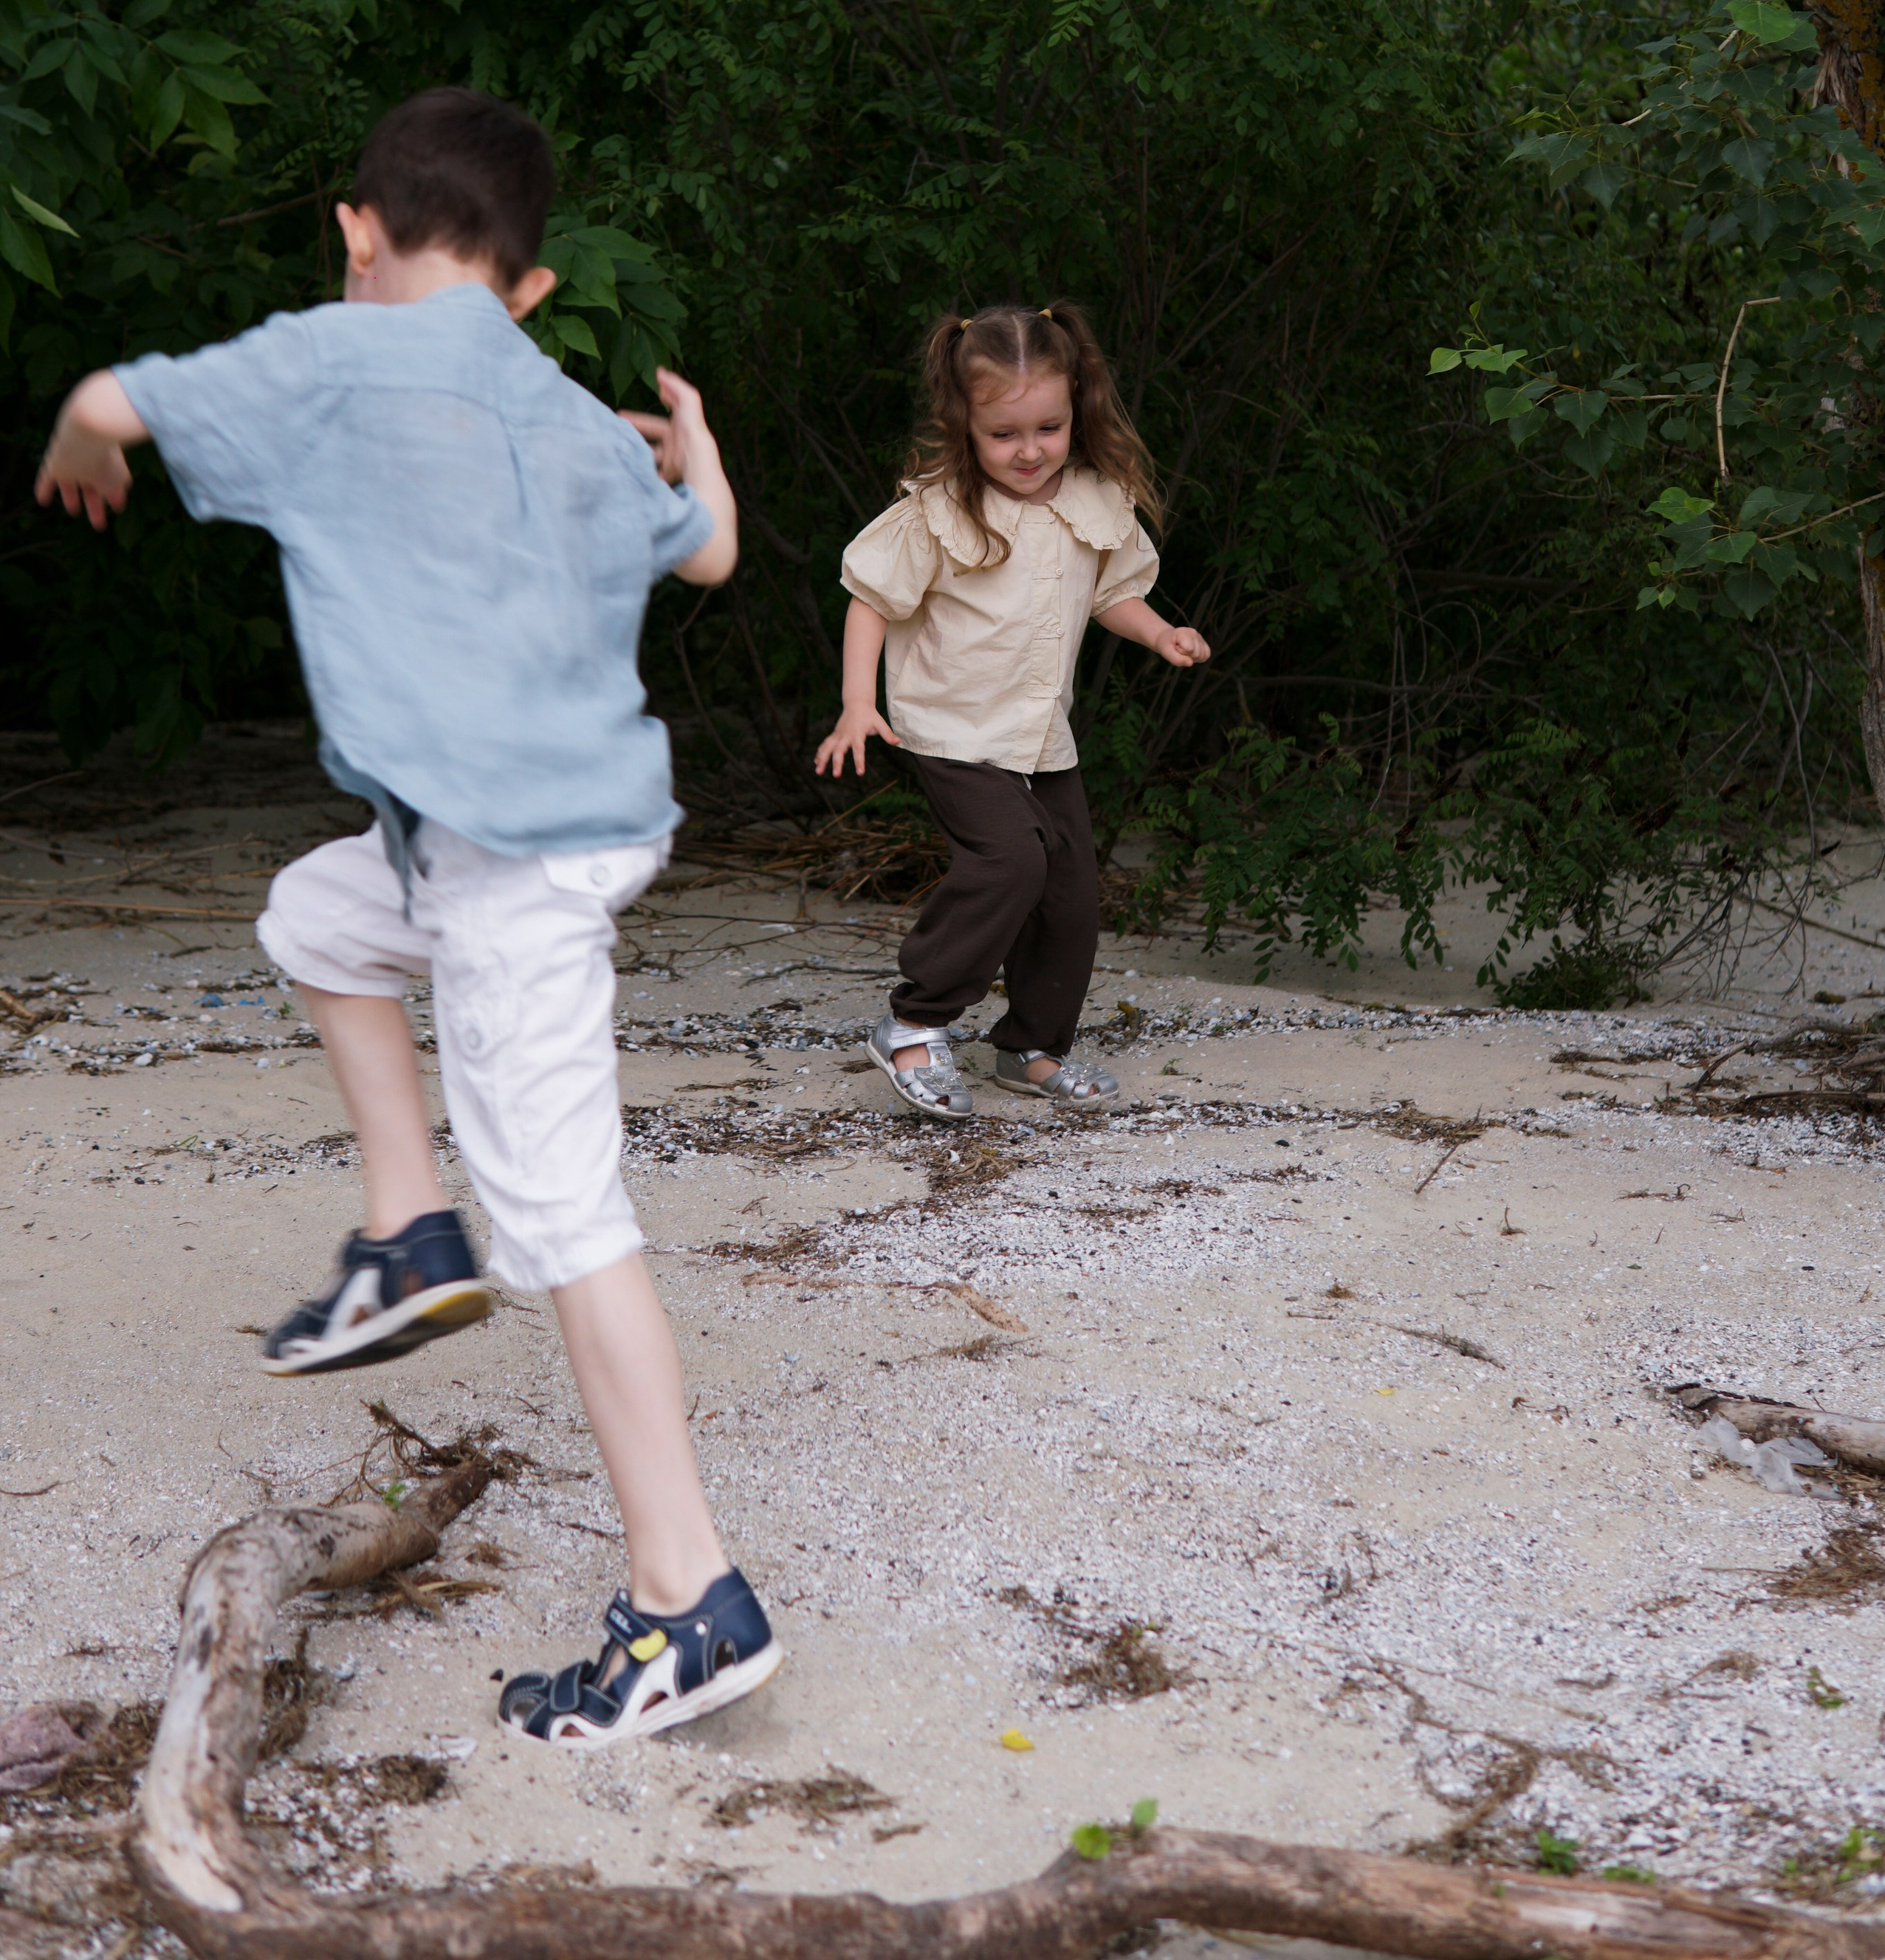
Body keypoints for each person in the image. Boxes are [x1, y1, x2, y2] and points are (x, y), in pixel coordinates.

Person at [32, 86, 780, 1749]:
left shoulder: (333, 352)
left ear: (356, 234)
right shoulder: (577, 416)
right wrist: (698, 449)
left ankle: (689, 1602)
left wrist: (84, 440)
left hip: (518, 865)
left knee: (571, 1225)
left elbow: (109, 396)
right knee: (319, 915)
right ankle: (402, 1233)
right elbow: (715, 554)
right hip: (528, 836)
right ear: (529, 288)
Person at [814, 301, 1209, 1121]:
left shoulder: (1096, 501)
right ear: (963, 423)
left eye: (1048, 428)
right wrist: (858, 702)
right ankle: (913, 1023)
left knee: (1068, 891)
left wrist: (1160, 631)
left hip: (1039, 736)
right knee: (1011, 861)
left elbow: (1114, 594)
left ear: (1076, 412)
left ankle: (1031, 1048)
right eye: (1004, 435)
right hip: (953, 729)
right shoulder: (936, 510)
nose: (1029, 451)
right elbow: (869, 598)